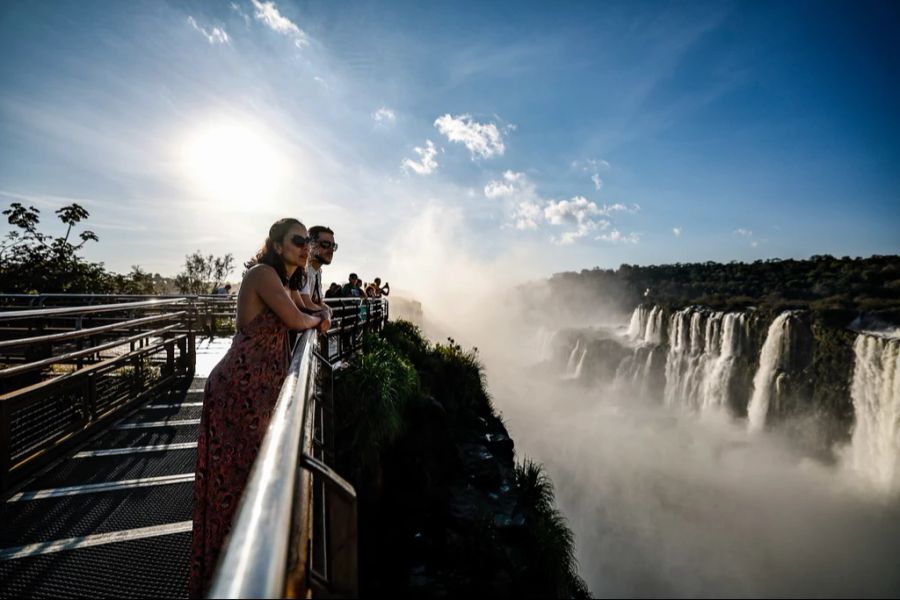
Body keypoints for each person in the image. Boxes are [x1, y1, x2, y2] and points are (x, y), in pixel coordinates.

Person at [189, 218, 329, 598]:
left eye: (307, 243)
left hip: (260, 393)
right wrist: (319, 319)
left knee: (247, 480)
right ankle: (227, 580)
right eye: (297, 241)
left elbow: (311, 306)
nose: (305, 247)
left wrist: (321, 314)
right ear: (277, 245)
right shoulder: (263, 275)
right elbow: (298, 319)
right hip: (237, 392)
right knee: (231, 486)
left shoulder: (286, 283)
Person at [296, 225, 336, 331]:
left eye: (334, 246)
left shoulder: (317, 272)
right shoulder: (302, 270)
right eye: (325, 244)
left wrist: (326, 310)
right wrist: (326, 313)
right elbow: (305, 305)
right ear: (310, 245)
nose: (331, 250)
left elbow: (318, 302)